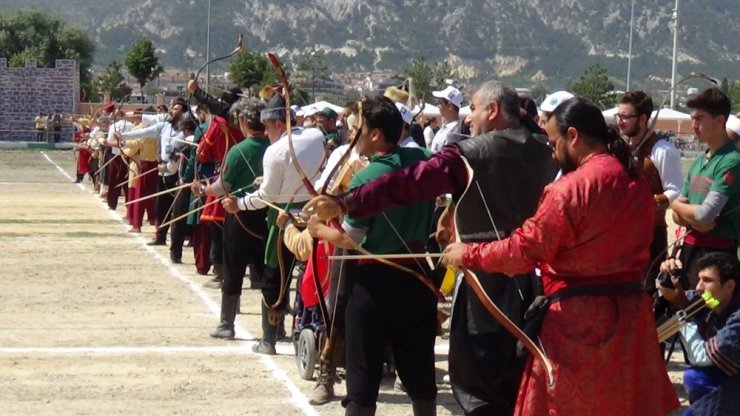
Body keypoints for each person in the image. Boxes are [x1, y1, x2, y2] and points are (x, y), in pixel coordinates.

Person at [306, 81, 560, 415]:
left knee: (478, 388)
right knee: (517, 382)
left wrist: (345, 203)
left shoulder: (470, 154)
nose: (468, 119)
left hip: (483, 288)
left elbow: (408, 185)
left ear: (494, 110)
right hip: (533, 288)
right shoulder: (546, 149)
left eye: (474, 108)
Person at [438, 97, 680, 415]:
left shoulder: (571, 188)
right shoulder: (634, 182)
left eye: (554, 142)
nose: (552, 151)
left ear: (574, 136)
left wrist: (469, 253)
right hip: (631, 322)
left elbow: (525, 249)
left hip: (579, 324)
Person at [307, 94, 438, 416]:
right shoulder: (425, 158)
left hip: (375, 285)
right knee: (420, 375)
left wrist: (318, 229)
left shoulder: (367, 177)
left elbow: (350, 239)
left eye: (359, 130)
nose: (353, 138)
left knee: (363, 378)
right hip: (420, 278)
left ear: (376, 134)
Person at [222, 92, 325, 355]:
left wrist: (239, 204)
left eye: (268, 127)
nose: (266, 132)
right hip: (315, 216)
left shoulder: (275, 151)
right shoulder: (316, 137)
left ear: (279, 124)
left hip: (283, 219)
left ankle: (269, 339)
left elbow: (267, 197)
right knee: (314, 273)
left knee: (275, 276)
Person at [192, 97, 269, 340]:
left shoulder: (238, 151)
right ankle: (274, 329)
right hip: (268, 216)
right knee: (270, 271)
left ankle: (227, 324)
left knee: (233, 270)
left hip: (239, 217)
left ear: (246, 122)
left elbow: (222, 186)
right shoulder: (274, 147)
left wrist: (203, 190)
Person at [672, 88, 740, 287]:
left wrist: (678, 207)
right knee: (684, 310)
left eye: (700, 118)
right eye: (693, 118)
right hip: (690, 251)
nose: (694, 125)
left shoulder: (732, 161)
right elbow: (678, 215)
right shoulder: (700, 161)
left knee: (711, 312)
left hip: (717, 258)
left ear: (720, 120)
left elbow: (705, 214)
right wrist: (680, 209)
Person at [616, 90, 684, 288]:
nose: (620, 121)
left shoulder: (663, 150)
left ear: (643, 119)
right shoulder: (621, 148)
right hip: (622, 236)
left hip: (651, 237)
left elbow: (676, 191)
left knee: (646, 293)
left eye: (625, 117)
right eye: (619, 116)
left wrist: (649, 202)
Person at [659, 252, 740, 415]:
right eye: (699, 279)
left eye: (707, 280)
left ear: (729, 286)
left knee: (696, 378)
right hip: (728, 377)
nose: (699, 287)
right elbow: (683, 299)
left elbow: (701, 356)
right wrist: (666, 277)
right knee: (695, 377)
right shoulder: (712, 301)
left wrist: (684, 315)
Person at [117, 99, 186, 245]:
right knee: (161, 206)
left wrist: (168, 167)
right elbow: (145, 131)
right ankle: (160, 237)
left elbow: (180, 150)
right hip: (162, 173)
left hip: (178, 174)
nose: (174, 111)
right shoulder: (163, 126)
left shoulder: (185, 131)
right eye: (173, 108)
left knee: (178, 209)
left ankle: (181, 240)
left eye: (178, 109)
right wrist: (123, 136)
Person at [429, 86, 463, 152]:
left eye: (440, 103)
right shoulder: (447, 127)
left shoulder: (454, 131)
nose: (438, 106)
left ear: (450, 106)